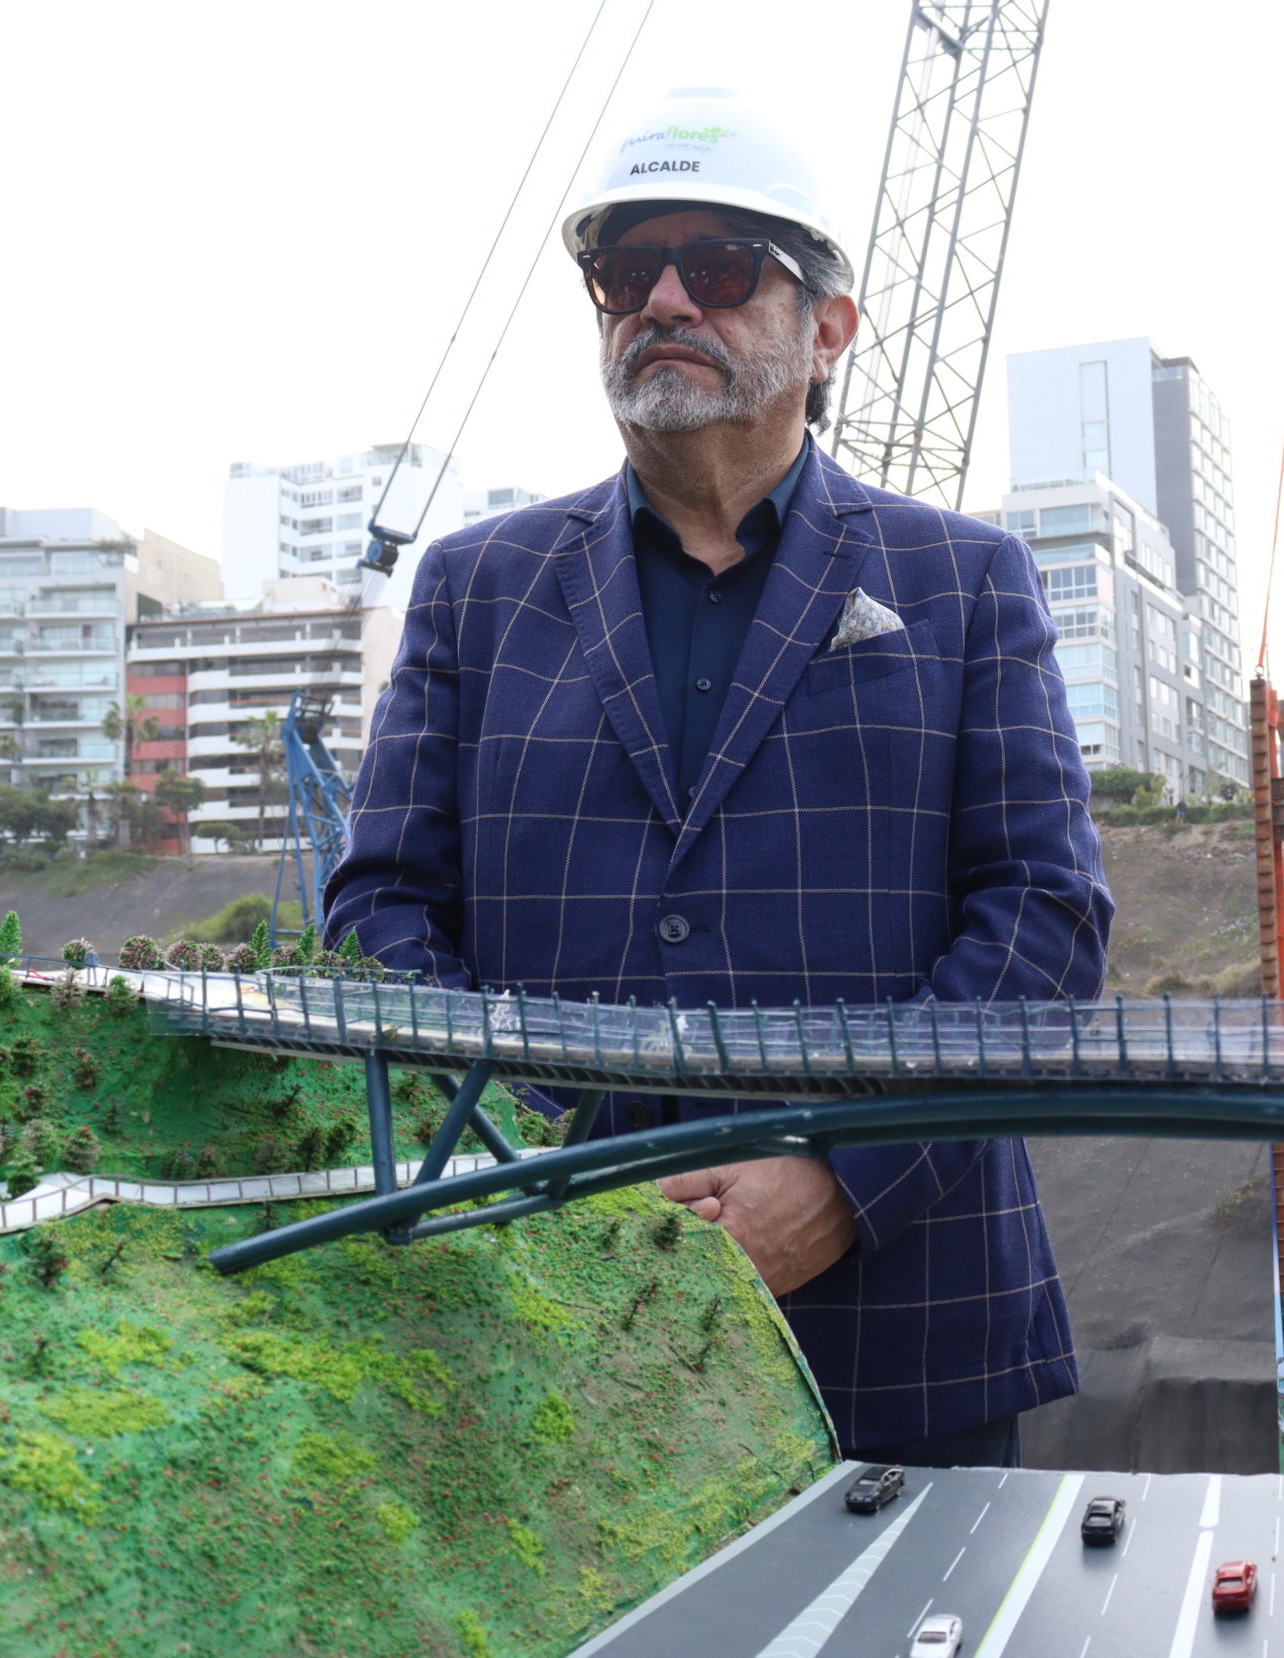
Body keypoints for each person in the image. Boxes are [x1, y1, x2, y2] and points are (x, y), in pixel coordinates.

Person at [325, 89, 1112, 1467]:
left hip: (900, 1315)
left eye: (723, 267)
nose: (667, 298)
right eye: (627, 272)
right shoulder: (476, 589)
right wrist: (536, 1167)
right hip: (546, 1312)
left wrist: (843, 1177)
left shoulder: (963, 580)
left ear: (830, 328)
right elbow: (383, 909)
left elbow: (1043, 920)